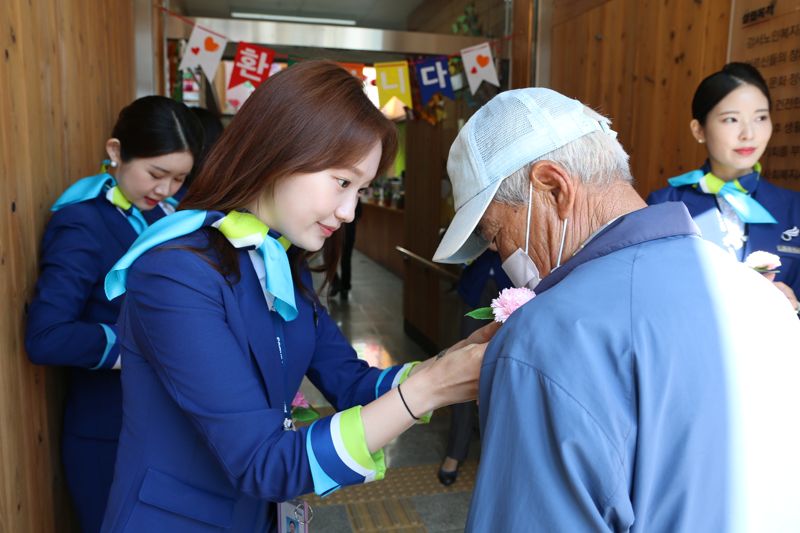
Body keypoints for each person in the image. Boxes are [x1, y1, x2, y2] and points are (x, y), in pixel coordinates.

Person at [99, 61, 493, 532]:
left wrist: (452, 361)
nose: (349, 211)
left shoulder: (279, 259)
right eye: (342, 182)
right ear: (279, 152)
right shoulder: (174, 274)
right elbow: (263, 460)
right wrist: (428, 389)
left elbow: (351, 383)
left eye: (361, 190)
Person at [432, 87, 800, 531]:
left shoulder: (547, 335)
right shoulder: (764, 298)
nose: (502, 256)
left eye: (494, 236)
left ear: (553, 187)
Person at [25, 96, 203, 532]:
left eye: (179, 178)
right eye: (156, 174)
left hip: (162, 425)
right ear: (116, 152)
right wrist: (132, 348)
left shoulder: (165, 213)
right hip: (107, 431)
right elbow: (46, 334)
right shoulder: (82, 222)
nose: (166, 190)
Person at [648, 62, 800, 313]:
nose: (748, 133)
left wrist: (794, 307)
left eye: (760, 117)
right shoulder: (664, 206)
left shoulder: (795, 208)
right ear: (699, 130)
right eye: (731, 119)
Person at [438, 250, 511, 486]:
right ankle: (455, 452)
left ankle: (495, 460)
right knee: (465, 369)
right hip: (476, 288)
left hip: (513, 292)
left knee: (505, 377)